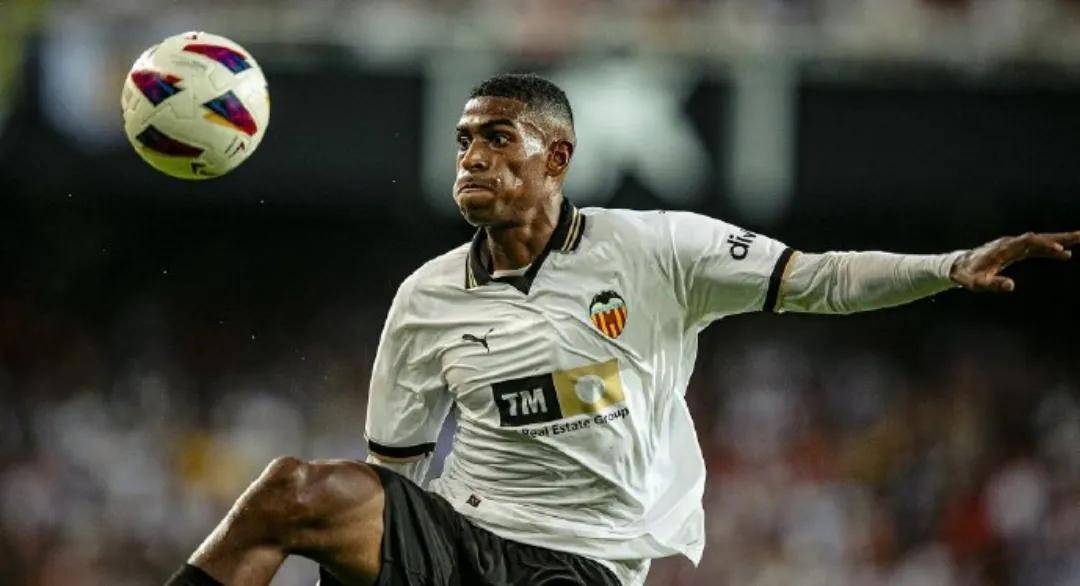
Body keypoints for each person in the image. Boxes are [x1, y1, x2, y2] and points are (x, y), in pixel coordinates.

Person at [165, 73, 1079, 586]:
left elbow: (820, 280)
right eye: (463, 141)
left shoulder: (659, 251)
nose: (472, 157)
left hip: (585, 561)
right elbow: (393, 475)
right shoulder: (427, 298)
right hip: (460, 532)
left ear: (557, 157)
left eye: (497, 138)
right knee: (293, 491)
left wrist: (948, 266)